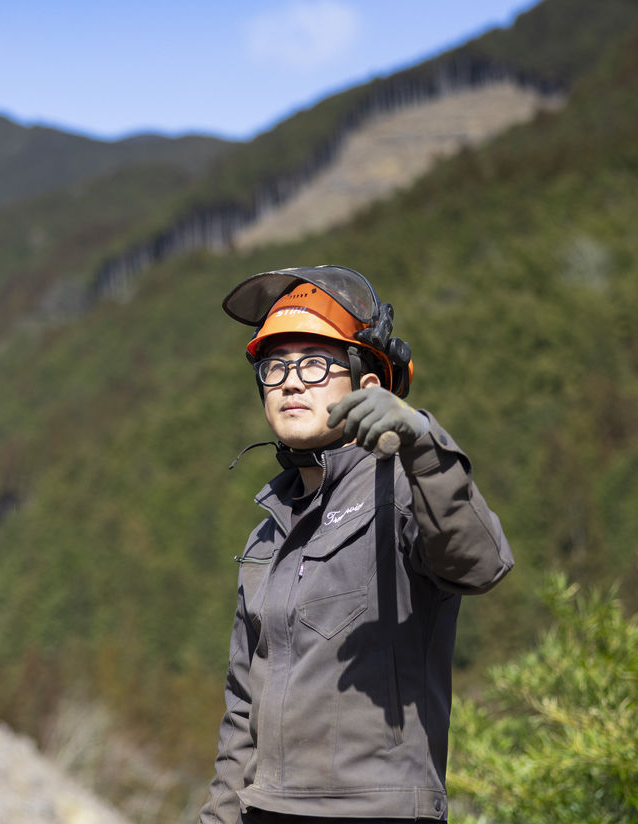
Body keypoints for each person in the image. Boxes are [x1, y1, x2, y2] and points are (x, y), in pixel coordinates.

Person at [199, 265, 514, 824]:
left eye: (315, 363)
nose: (291, 382)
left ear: (368, 385)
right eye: (275, 367)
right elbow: (242, 709)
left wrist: (421, 440)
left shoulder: (405, 493)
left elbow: (479, 564)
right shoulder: (269, 533)